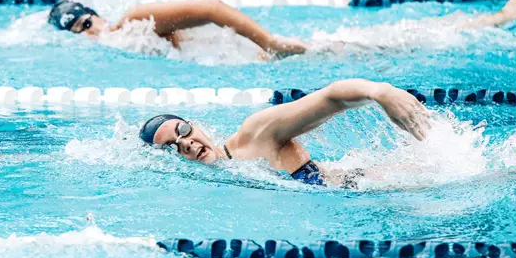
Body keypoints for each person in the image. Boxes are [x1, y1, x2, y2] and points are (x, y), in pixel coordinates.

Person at [47, 0, 516, 60]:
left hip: (285, 53)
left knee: (415, 40)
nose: (91, 33)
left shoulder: (134, 20)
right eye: (80, 33)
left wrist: (272, 43)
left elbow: (212, 6)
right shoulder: (120, 43)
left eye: (88, 23)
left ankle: (508, 15)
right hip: (261, 62)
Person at [137, 78, 430, 188]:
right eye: (172, 147)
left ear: (196, 124)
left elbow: (329, 98)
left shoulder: (253, 136)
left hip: (384, 183)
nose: (186, 144)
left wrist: (381, 92)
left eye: (183, 130)